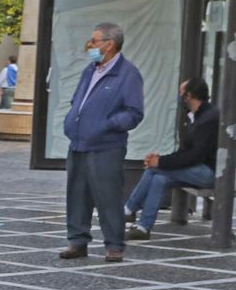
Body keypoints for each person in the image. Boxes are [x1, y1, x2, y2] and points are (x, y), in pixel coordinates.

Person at [61, 22, 144, 262]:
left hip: (106, 146)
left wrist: (106, 125)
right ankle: (77, 241)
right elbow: (78, 100)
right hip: (78, 142)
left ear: (109, 45)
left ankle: (114, 246)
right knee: (77, 195)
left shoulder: (128, 74)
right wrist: (72, 120)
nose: (90, 45)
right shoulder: (90, 70)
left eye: (94, 41)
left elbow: (134, 113)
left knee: (108, 197)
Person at [125, 77, 217, 240]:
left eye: (181, 93)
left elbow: (195, 156)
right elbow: (184, 153)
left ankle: (129, 209)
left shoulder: (208, 118)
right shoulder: (195, 116)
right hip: (196, 170)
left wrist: (160, 162)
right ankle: (143, 228)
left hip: (210, 173)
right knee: (159, 179)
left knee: (154, 170)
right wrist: (160, 159)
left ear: (189, 95)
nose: (179, 97)